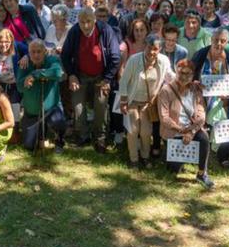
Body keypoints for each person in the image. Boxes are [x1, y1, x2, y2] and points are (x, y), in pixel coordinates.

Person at [61, 9, 121, 152]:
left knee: (101, 105)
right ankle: (82, 136)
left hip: (101, 75)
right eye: (82, 22)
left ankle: (100, 138)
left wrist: (107, 79)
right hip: (80, 74)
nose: (85, 25)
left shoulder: (105, 30)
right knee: (78, 106)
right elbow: (65, 55)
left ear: (95, 20)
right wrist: (71, 75)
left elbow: (115, 56)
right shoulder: (75, 31)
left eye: (88, 21)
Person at [158, 60, 213, 188]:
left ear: (193, 75)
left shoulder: (195, 89)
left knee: (204, 139)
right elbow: (164, 118)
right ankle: (175, 160)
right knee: (173, 169)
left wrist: (191, 131)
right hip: (173, 130)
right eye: (181, 73)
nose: (184, 77)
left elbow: (201, 114)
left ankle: (202, 173)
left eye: (188, 74)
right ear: (176, 72)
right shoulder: (166, 90)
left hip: (191, 128)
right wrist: (181, 130)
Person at [119, 36, 173, 168]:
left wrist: (185, 82)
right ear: (145, 46)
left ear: (159, 49)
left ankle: (145, 156)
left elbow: (170, 77)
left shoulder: (163, 61)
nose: (152, 52)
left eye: (155, 49)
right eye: (149, 48)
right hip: (132, 100)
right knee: (132, 130)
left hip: (149, 103)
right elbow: (124, 81)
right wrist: (123, 100)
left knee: (146, 132)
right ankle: (133, 159)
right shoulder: (134, 59)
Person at [17, 40, 66, 152]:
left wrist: (36, 74)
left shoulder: (52, 60)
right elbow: (19, 87)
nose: (36, 55)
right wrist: (25, 82)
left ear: (45, 52)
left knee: (59, 122)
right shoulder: (24, 64)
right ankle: (41, 135)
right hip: (31, 112)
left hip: (51, 109)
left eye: (39, 51)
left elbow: (57, 72)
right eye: (33, 52)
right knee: (29, 146)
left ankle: (59, 141)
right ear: (29, 53)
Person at [191, 28, 229, 125]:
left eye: (223, 41)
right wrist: (193, 83)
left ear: (227, 43)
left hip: (223, 102)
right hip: (200, 98)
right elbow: (189, 75)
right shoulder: (200, 55)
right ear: (211, 39)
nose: (219, 43)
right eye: (216, 40)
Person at [0, 28, 28, 104]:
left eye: (7, 42)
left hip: (15, 85)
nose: (4, 45)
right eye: (0, 42)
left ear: (11, 42)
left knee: (15, 109)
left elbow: (30, 50)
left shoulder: (16, 46)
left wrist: (26, 56)